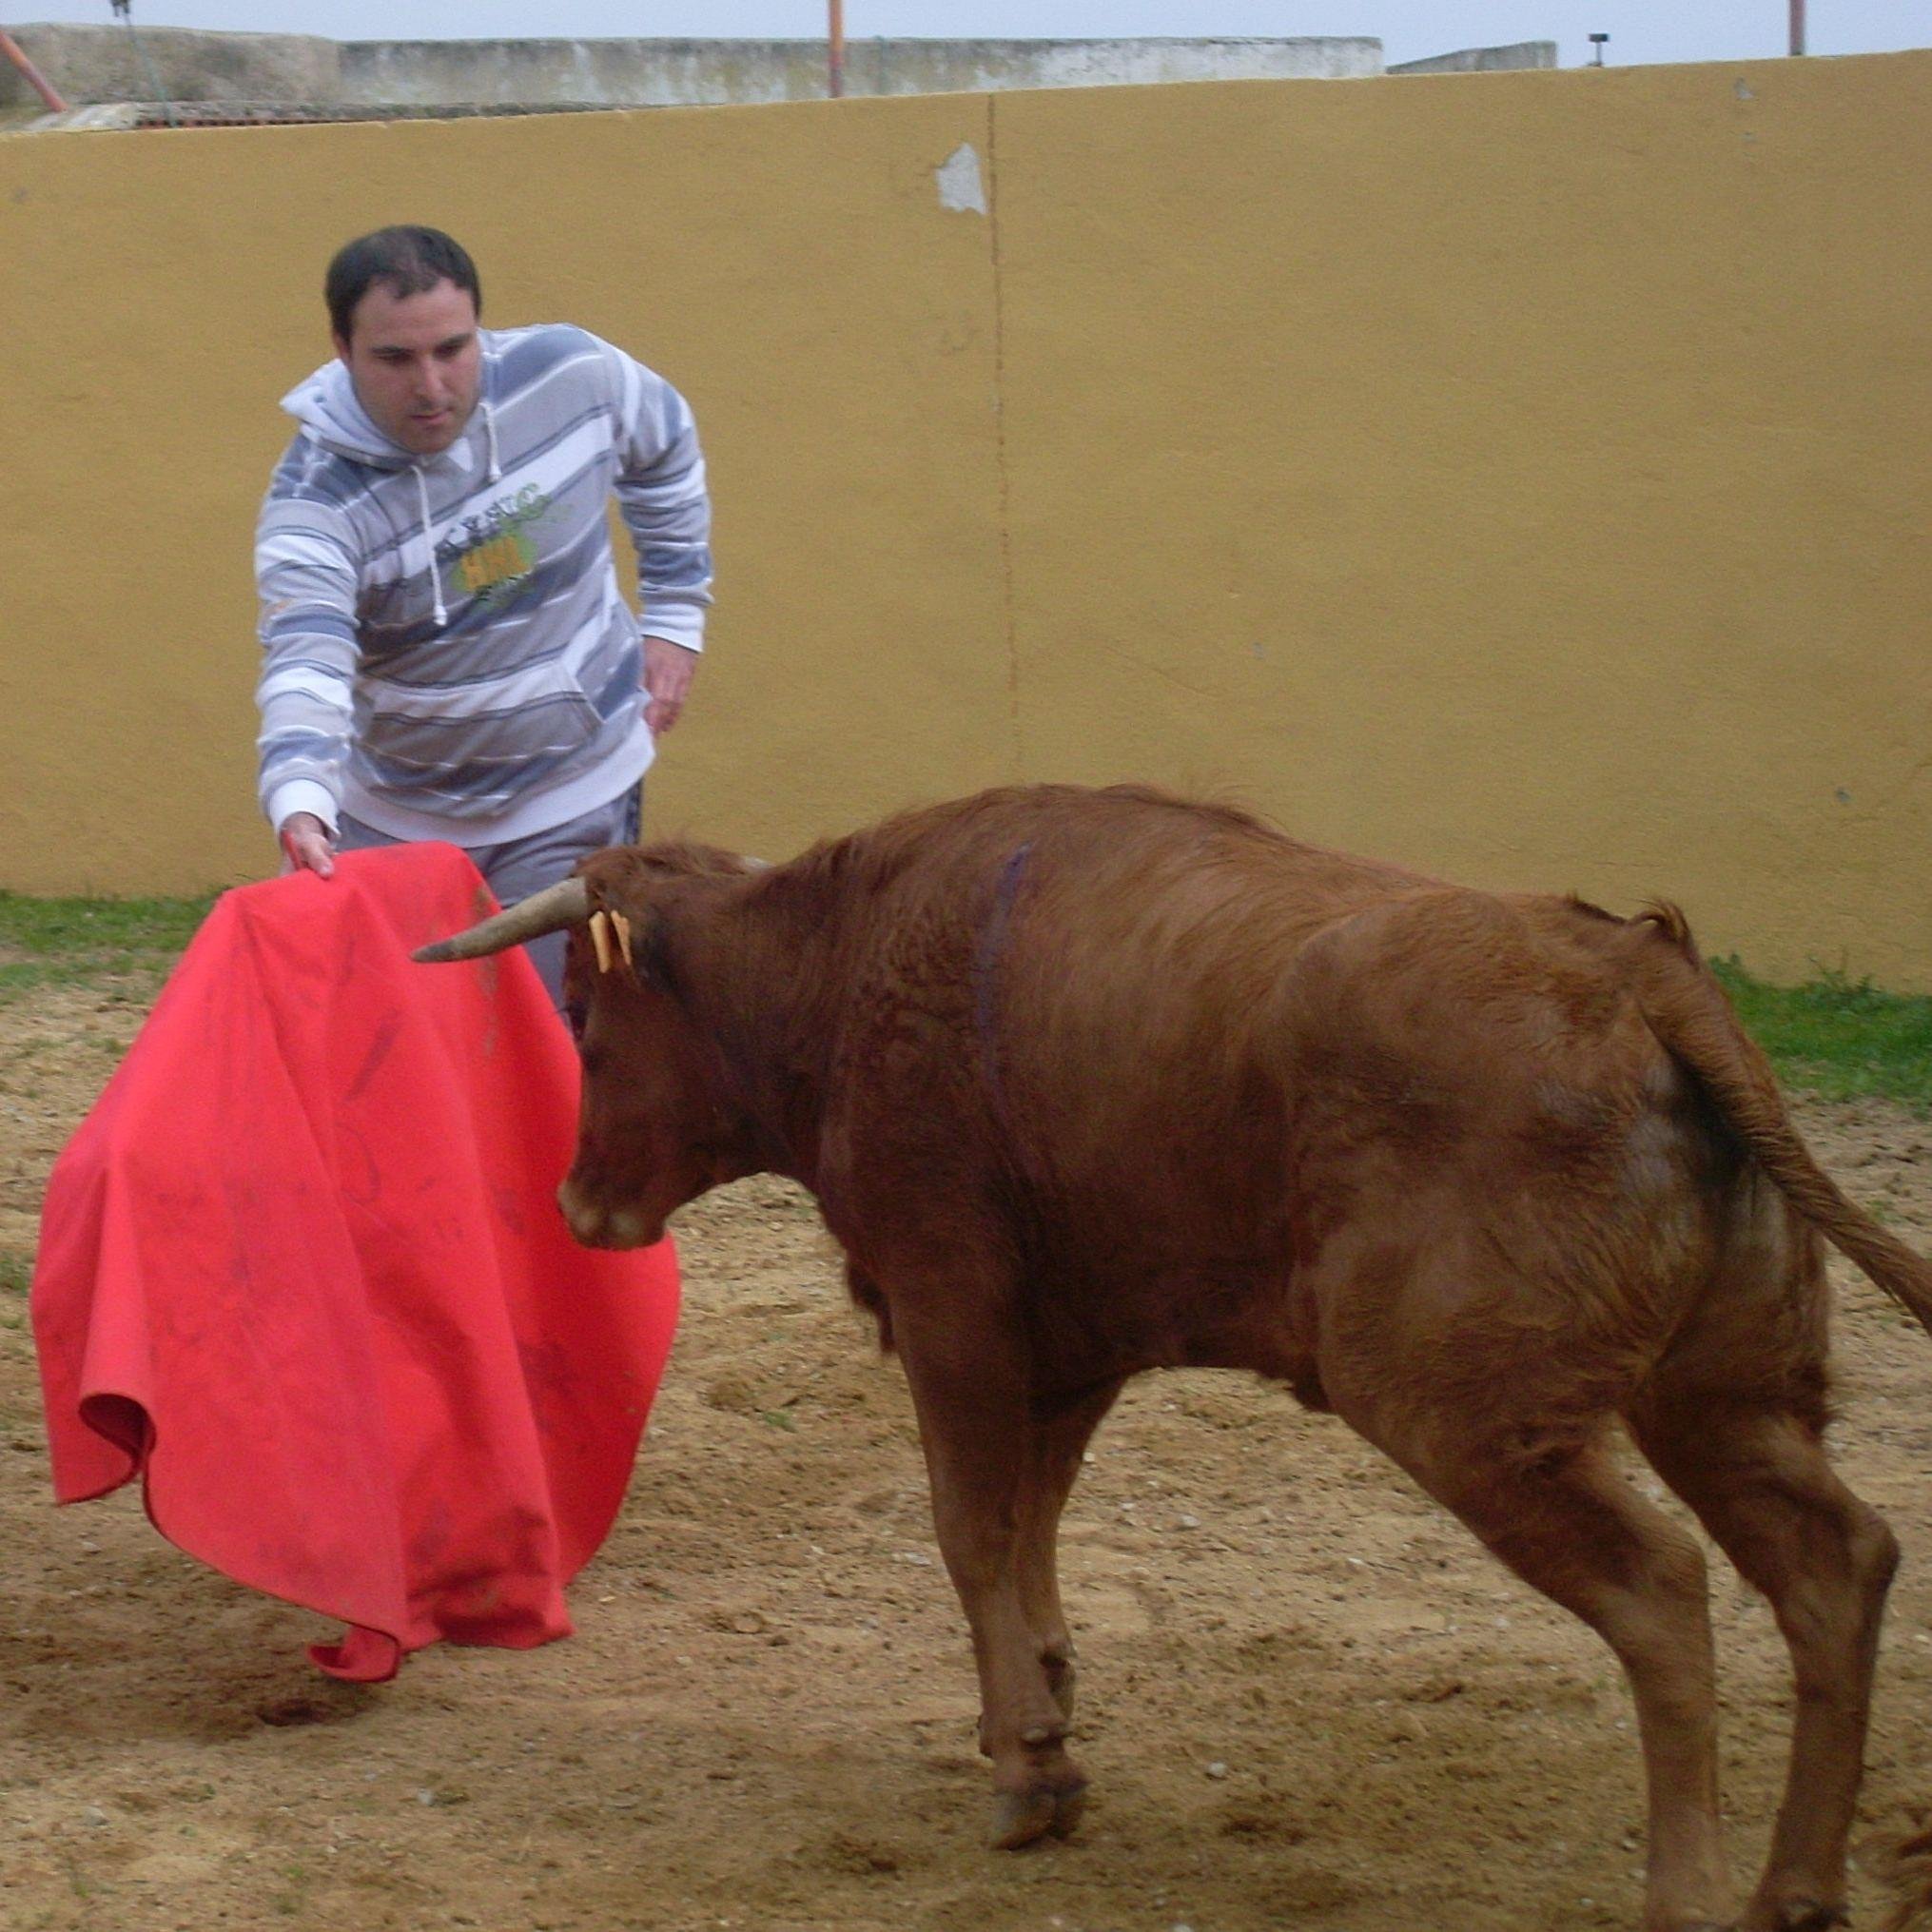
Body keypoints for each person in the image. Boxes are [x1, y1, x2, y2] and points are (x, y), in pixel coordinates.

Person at [254, 224, 712, 1005]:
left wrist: (674, 616)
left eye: (451, 350)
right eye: (395, 359)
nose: (431, 386)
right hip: (402, 821)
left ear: (481, 331)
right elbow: (307, 655)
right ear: (342, 348)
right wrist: (300, 797)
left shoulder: (575, 374)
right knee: (396, 1043)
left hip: (577, 789)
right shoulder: (314, 504)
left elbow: (665, 445)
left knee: (556, 1036)